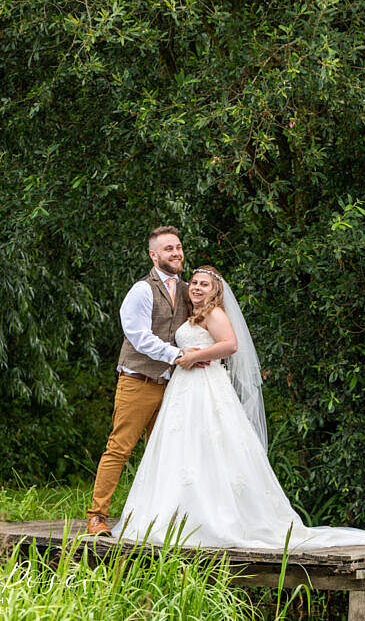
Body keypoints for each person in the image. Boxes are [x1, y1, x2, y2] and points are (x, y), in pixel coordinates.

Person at [109, 265, 365, 549]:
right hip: (184, 387)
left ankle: (216, 517)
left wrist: (194, 356)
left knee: (211, 444)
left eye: (204, 285)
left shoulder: (213, 313)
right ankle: (177, 512)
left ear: (216, 290)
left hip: (206, 385)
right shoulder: (194, 314)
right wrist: (186, 356)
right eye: (194, 283)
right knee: (182, 447)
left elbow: (230, 345)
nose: (196, 287)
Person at [85, 226, 209, 536]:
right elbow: (138, 337)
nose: (176, 253)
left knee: (168, 451)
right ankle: (97, 516)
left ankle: (162, 517)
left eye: (178, 247)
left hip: (172, 386)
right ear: (154, 255)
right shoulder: (142, 290)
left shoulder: (186, 290)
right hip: (137, 381)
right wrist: (178, 354)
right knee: (119, 448)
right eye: (168, 249)